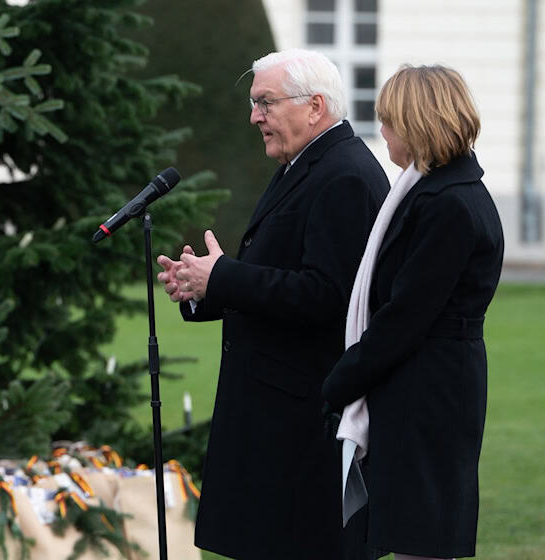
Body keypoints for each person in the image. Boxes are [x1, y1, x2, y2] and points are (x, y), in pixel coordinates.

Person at [157, 49, 389, 559]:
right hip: (277, 411)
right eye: (253, 102)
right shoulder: (305, 163)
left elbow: (325, 296)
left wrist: (225, 276)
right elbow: (280, 274)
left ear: (315, 107)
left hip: (304, 418)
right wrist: (205, 286)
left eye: (265, 102)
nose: (254, 117)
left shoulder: (344, 174)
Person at [321, 65, 504, 560]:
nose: (381, 133)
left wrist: (341, 381)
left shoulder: (447, 202)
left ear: (417, 123)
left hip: (430, 391)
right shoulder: (441, 191)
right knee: (412, 532)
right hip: (425, 384)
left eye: (388, 121)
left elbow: (406, 315)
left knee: (422, 538)